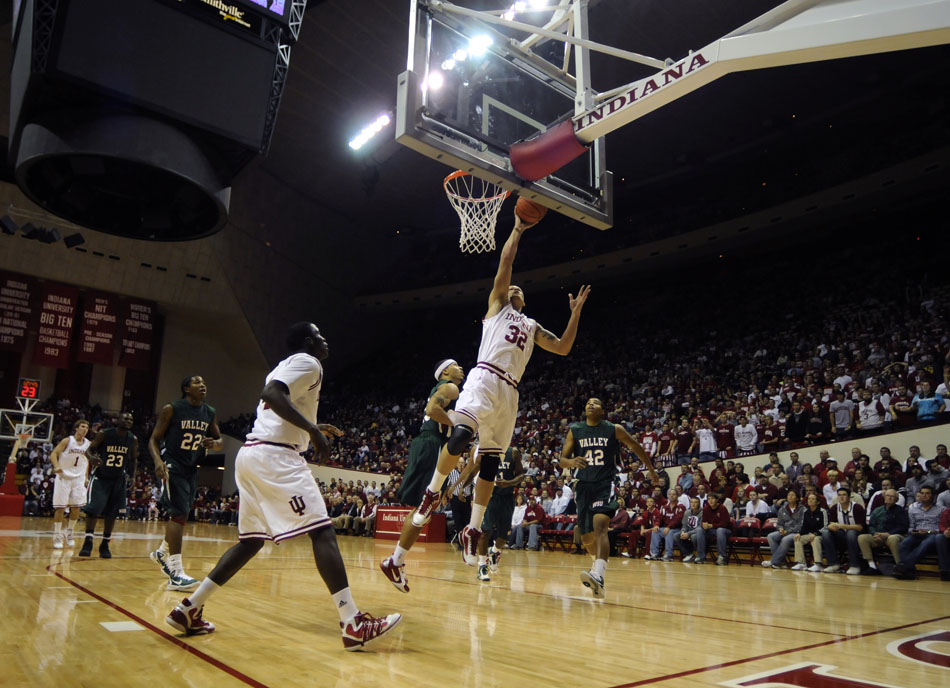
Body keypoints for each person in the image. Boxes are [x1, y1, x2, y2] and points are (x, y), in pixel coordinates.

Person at [165, 323, 400, 650]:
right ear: (307, 343)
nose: (325, 340)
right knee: (323, 531)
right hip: (276, 458)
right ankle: (353, 623)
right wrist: (312, 433)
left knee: (250, 543)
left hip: (252, 455)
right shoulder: (309, 362)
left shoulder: (285, 366)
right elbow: (272, 396)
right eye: (320, 335)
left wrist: (311, 427)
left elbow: (277, 402)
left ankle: (189, 608)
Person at [408, 211, 592, 567]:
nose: (516, 287)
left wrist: (575, 314)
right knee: (461, 435)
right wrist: (518, 230)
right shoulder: (496, 307)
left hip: (510, 392)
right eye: (512, 287)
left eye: (520, 288)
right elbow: (505, 262)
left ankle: (472, 529)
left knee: (491, 461)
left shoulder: (532, 325)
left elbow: (564, 348)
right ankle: (433, 492)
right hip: (485, 376)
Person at [379, 358, 464, 593]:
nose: (461, 368)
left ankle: (395, 562)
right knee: (425, 506)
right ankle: (394, 562)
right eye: (456, 365)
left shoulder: (443, 389)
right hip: (433, 444)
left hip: (427, 443)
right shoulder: (450, 387)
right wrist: (457, 426)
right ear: (445, 371)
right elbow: (431, 410)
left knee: (422, 509)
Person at [560, 397, 658, 596]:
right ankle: (597, 569)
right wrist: (571, 463)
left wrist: (651, 470)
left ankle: (599, 574)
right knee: (586, 535)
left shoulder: (614, 429)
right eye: (588, 402)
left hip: (605, 483)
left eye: (596, 402)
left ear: (602, 410)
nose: (591, 404)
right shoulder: (575, 430)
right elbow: (562, 460)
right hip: (583, 486)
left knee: (600, 526)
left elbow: (635, 446)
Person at [148, 375, 223, 591]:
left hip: (191, 467)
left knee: (184, 513)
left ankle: (161, 553)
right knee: (178, 513)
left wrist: (215, 444)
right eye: (197, 383)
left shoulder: (209, 412)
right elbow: (153, 439)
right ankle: (176, 573)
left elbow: (219, 440)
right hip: (172, 465)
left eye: (204, 382)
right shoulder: (172, 408)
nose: (203, 385)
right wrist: (158, 462)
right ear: (186, 389)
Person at [79, 413, 139, 558]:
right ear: (118, 420)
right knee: (94, 509)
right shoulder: (104, 434)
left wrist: (133, 476)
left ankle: (105, 544)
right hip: (101, 477)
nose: (128, 421)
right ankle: (88, 541)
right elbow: (89, 450)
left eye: (131, 419)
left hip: (118, 479)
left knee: (112, 513)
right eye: (125, 418)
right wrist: (92, 458)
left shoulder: (132, 439)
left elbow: (133, 459)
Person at [477, 447, 525, 581]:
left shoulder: (514, 452)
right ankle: (482, 566)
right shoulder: (487, 450)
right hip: (490, 496)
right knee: (485, 531)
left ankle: (494, 551)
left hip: (507, 497)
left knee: (503, 536)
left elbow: (521, 475)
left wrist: (509, 483)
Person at [49, 420, 91, 549]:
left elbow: (87, 461)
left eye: (87, 427)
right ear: (76, 428)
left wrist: (86, 476)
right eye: (83, 426)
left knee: (76, 507)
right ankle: (57, 536)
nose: (85, 429)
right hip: (64, 477)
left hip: (78, 479)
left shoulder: (88, 444)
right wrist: (56, 467)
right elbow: (54, 453)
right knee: (60, 508)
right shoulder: (67, 441)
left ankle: (70, 534)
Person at [895, 486, 945, 580]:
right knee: (904, 544)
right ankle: (909, 571)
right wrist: (914, 531)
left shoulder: (941, 509)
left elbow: (941, 528)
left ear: (933, 495)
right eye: (922, 493)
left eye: (927, 493)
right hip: (917, 534)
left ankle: (904, 567)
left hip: (932, 534)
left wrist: (928, 531)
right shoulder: (913, 508)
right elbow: (910, 527)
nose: (924, 495)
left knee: (925, 544)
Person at [857, 488, 908, 575]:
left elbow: (903, 527)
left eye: (892, 496)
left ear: (896, 500)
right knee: (862, 537)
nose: (889, 498)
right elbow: (871, 525)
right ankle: (872, 566)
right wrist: (875, 534)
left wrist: (888, 534)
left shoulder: (901, 511)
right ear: (884, 497)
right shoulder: (877, 510)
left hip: (895, 536)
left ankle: (900, 566)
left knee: (893, 538)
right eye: (888, 495)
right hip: (878, 536)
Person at [821, 487, 865, 574]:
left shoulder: (857, 507)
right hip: (841, 536)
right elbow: (831, 524)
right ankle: (833, 564)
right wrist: (830, 526)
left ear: (849, 497)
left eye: (844, 495)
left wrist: (843, 526)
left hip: (857, 536)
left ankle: (854, 565)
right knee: (825, 532)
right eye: (839, 495)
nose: (841, 497)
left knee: (851, 533)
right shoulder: (834, 508)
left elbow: (860, 527)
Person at [762, 489, 803, 569]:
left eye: (792, 495)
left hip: (796, 532)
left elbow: (800, 525)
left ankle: (774, 561)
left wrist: (788, 531)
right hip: (784, 531)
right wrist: (780, 529)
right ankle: (781, 562)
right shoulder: (782, 509)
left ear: (797, 498)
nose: (790, 497)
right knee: (771, 536)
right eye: (789, 495)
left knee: (785, 539)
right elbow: (779, 523)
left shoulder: (802, 509)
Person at [794, 491, 827, 571]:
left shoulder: (822, 511)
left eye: (813, 499)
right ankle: (801, 563)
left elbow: (825, 526)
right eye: (809, 499)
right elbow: (804, 526)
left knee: (815, 540)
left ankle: (818, 564)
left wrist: (816, 533)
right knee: (797, 538)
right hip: (809, 535)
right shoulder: (806, 512)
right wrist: (799, 533)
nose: (810, 500)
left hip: (821, 535)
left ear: (818, 502)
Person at [700, 493, 732, 566]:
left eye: (712, 499)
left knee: (720, 530)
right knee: (700, 530)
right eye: (709, 499)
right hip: (712, 530)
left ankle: (722, 557)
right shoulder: (706, 509)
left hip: (726, 531)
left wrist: (711, 525)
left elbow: (725, 523)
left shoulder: (722, 508)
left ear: (717, 500)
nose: (710, 501)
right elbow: (703, 521)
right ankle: (701, 556)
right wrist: (703, 525)